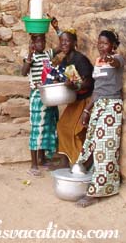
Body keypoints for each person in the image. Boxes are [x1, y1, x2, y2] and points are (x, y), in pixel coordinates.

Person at [75, 29, 125, 207]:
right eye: (99, 44)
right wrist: (87, 111)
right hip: (99, 106)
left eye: (105, 44)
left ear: (112, 45)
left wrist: (109, 57)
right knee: (94, 144)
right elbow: (97, 90)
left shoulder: (118, 59)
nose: (101, 47)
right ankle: (103, 183)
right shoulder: (98, 62)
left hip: (112, 107)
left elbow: (115, 63)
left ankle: (96, 192)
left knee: (105, 148)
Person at [53, 27, 94, 168]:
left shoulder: (80, 59)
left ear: (74, 43)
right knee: (62, 126)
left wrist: (76, 86)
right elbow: (63, 76)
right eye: (61, 41)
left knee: (74, 130)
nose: (63, 44)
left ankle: (78, 162)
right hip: (75, 100)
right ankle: (65, 161)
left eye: (67, 41)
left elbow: (88, 81)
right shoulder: (65, 61)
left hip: (86, 100)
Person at [22, 27, 60, 176]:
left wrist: (58, 29)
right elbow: (24, 71)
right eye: (38, 41)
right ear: (32, 43)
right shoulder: (30, 57)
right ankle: (33, 165)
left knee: (49, 127)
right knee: (37, 129)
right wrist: (30, 55)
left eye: (43, 41)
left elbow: (61, 48)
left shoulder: (46, 54)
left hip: (49, 94)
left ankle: (43, 159)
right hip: (38, 95)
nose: (41, 44)